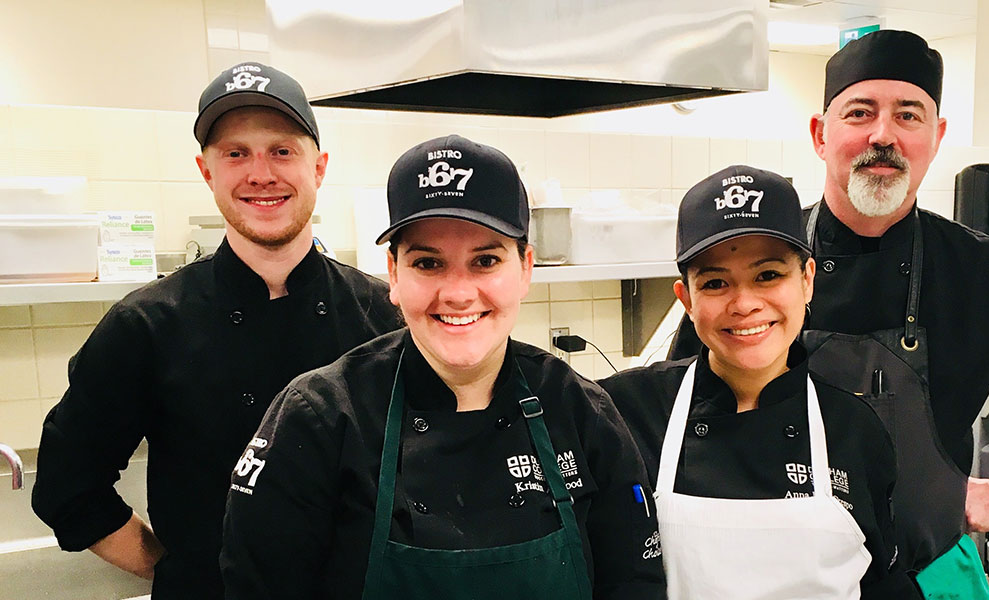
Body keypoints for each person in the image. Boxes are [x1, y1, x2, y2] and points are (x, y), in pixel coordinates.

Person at [667, 30, 989, 598]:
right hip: (774, 574)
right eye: (859, 112)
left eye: (908, 115)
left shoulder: (982, 272)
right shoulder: (763, 262)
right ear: (822, 135)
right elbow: (686, 404)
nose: (882, 135)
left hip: (927, 573)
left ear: (936, 137)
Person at [220, 134, 666, 600]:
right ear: (393, 274)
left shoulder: (580, 411)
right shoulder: (319, 419)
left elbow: (635, 585)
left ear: (525, 269)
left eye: (486, 260)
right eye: (428, 263)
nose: (457, 293)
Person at [31, 62, 402, 598]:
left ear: (318, 167)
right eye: (236, 153)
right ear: (207, 172)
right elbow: (69, 488)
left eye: (281, 150)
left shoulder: (384, 314)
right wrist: (177, 572)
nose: (261, 174)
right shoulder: (147, 324)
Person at [600, 165, 919, 599]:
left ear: (807, 280)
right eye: (715, 283)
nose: (745, 304)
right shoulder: (624, 412)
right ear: (686, 299)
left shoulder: (853, 428)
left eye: (768, 275)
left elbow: (882, 583)